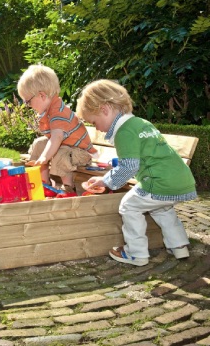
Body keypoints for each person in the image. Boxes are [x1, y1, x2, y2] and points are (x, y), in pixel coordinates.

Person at [76, 79, 197, 266]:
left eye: (94, 122)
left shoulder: (124, 132)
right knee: (162, 207)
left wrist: (106, 181)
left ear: (104, 109)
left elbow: (129, 166)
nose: (97, 128)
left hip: (159, 181)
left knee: (129, 206)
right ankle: (179, 246)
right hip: (181, 179)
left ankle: (136, 253)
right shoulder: (141, 123)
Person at [17, 64, 98, 193]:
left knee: (60, 153)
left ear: (42, 96)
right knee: (39, 144)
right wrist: (44, 155)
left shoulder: (58, 113)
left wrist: (45, 157)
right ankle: (44, 183)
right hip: (67, 147)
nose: (28, 106)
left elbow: (56, 138)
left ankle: (69, 189)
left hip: (81, 153)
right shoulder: (49, 109)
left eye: (28, 102)